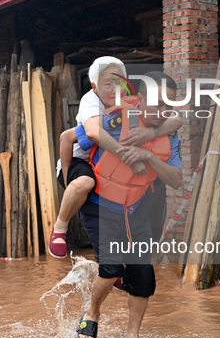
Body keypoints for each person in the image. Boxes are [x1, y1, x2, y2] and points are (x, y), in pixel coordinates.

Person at [75, 72, 183, 338]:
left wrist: (150, 156)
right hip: (101, 206)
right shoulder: (113, 121)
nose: (164, 111)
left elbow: (175, 179)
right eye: (158, 103)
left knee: (143, 275)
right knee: (110, 270)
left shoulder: (169, 135)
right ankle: (92, 311)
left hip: (136, 209)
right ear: (141, 99)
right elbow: (72, 137)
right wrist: (69, 182)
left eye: (169, 106)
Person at [50, 57, 181, 258]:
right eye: (107, 83)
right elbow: (72, 137)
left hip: (109, 173)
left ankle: (115, 269)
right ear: (95, 87)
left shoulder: (128, 103)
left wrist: (151, 134)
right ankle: (60, 227)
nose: (113, 88)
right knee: (84, 182)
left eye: (118, 82)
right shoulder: (91, 103)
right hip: (80, 161)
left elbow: (176, 119)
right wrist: (68, 181)